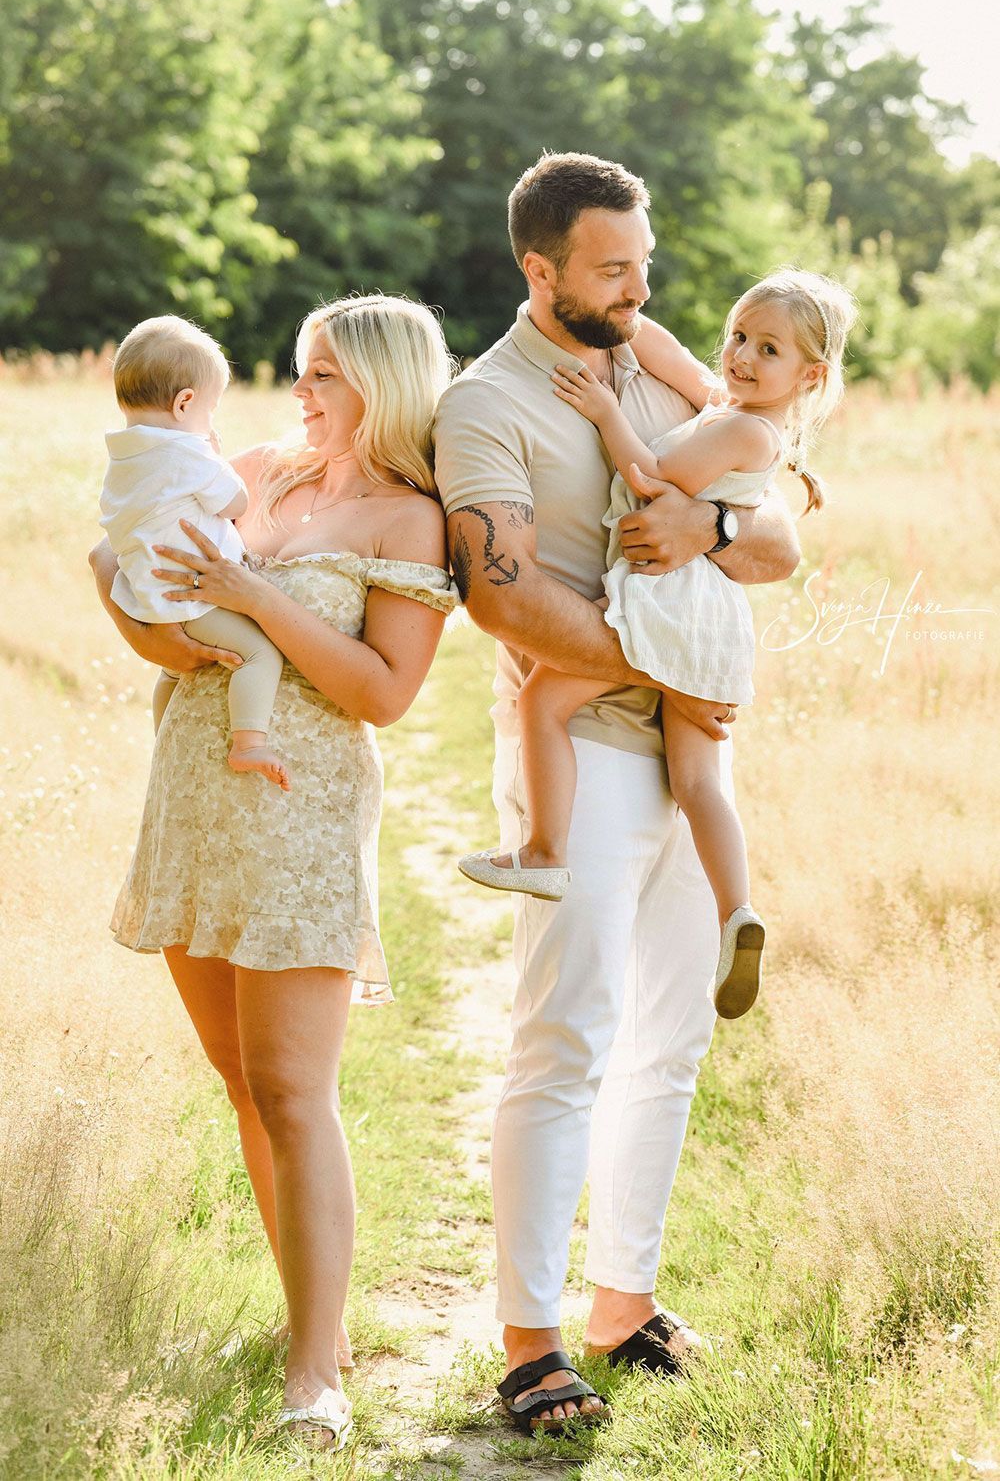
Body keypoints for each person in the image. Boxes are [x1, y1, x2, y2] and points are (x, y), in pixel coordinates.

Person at [433, 152, 802, 1433]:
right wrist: (670, 657)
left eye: (646, 263)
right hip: (587, 750)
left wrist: (707, 536)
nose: (641, 289)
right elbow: (501, 595)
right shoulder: (484, 407)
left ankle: (620, 1304)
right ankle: (530, 1345)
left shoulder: (662, 362)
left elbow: (782, 529)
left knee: (672, 1042)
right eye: (612, 268)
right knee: (565, 1042)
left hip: (694, 748)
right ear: (540, 271)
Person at [90, 293, 458, 1451]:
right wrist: (124, 597)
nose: (298, 393)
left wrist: (252, 599)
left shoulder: (410, 521)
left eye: (323, 376)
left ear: (385, 386)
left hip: (299, 817)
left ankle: (314, 1372)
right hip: (194, 791)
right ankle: (321, 1322)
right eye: (299, 371)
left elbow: (383, 695)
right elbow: (154, 602)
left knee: (297, 1093)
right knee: (244, 1086)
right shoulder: (252, 471)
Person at [460, 268, 857, 1021]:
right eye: (738, 334)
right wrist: (608, 305)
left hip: (668, 603)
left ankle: (544, 851)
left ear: (810, 376)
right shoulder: (731, 408)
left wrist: (608, 409)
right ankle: (736, 913)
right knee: (696, 781)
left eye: (766, 348)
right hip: (703, 617)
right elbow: (653, 338)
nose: (740, 354)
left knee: (544, 696)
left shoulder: (742, 428)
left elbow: (648, 478)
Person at [100, 315, 290, 788]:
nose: (210, 421)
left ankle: (164, 736)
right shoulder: (189, 454)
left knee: (171, 671)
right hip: (194, 595)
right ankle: (250, 743)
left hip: (149, 595)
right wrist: (217, 458)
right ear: (185, 403)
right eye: (211, 409)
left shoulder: (123, 455)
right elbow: (238, 502)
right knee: (260, 655)